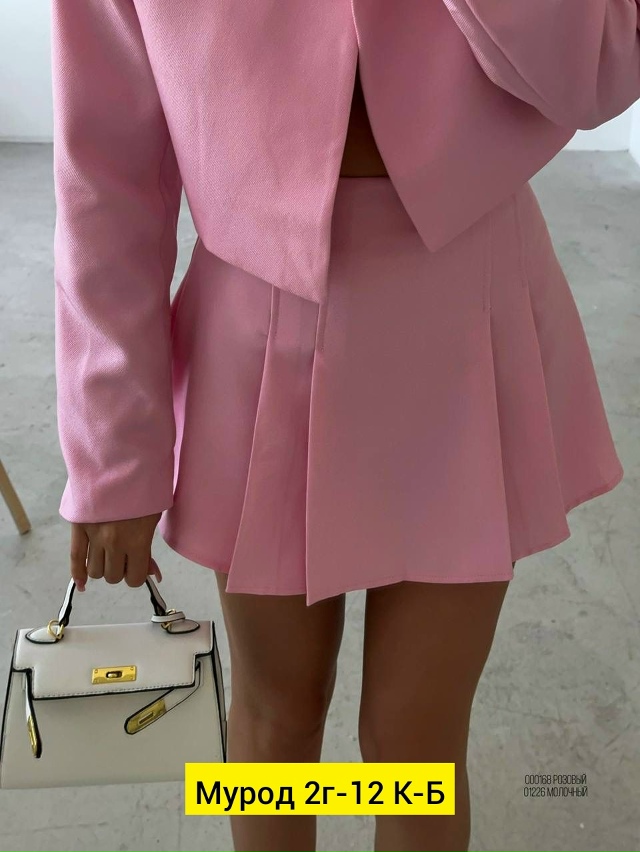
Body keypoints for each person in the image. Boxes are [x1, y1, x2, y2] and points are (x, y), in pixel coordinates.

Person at [52, 3, 638, 850]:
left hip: (469, 302)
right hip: (257, 315)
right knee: (276, 722)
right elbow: (103, 174)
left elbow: (602, 68)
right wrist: (113, 453)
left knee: (417, 744)